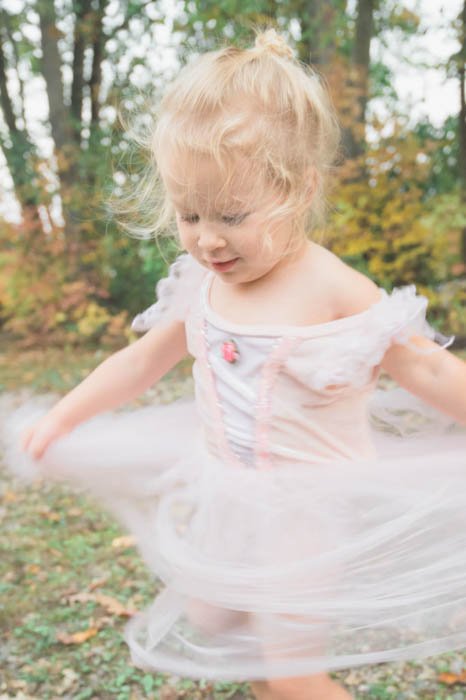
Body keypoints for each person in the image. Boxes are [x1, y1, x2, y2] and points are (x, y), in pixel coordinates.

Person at [4, 27, 466, 700]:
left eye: (231, 213)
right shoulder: (202, 285)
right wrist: (63, 418)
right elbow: (138, 364)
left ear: (300, 191)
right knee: (213, 617)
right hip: (227, 492)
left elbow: (426, 370)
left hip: (305, 513)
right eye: (189, 214)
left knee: (292, 670)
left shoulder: (334, 288)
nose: (207, 237)